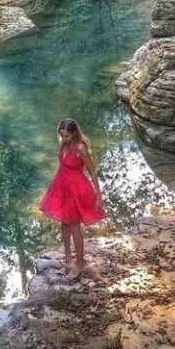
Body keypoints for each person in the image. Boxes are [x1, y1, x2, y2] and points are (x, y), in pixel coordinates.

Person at [39, 118, 107, 279]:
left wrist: (98, 195)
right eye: (61, 135)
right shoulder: (64, 143)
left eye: (67, 136)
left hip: (76, 190)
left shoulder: (80, 148)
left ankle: (80, 264)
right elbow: (63, 165)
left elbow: (92, 172)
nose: (63, 139)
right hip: (62, 187)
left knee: (75, 226)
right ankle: (68, 259)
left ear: (74, 133)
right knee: (64, 223)